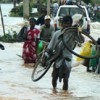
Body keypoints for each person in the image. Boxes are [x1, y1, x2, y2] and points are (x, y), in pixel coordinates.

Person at [44, 15, 84, 94]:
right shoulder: (57, 34)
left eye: (68, 23)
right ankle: (54, 92)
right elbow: (50, 46)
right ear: (62, 24)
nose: (66, 25)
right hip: (57, 58)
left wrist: (78, 31)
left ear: (71, 24)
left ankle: (65, 95)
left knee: (66, 79)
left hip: (67, 59)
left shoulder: (73, 34)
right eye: (65, 23)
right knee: (54, 77)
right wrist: (45, 57)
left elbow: (82, 40)